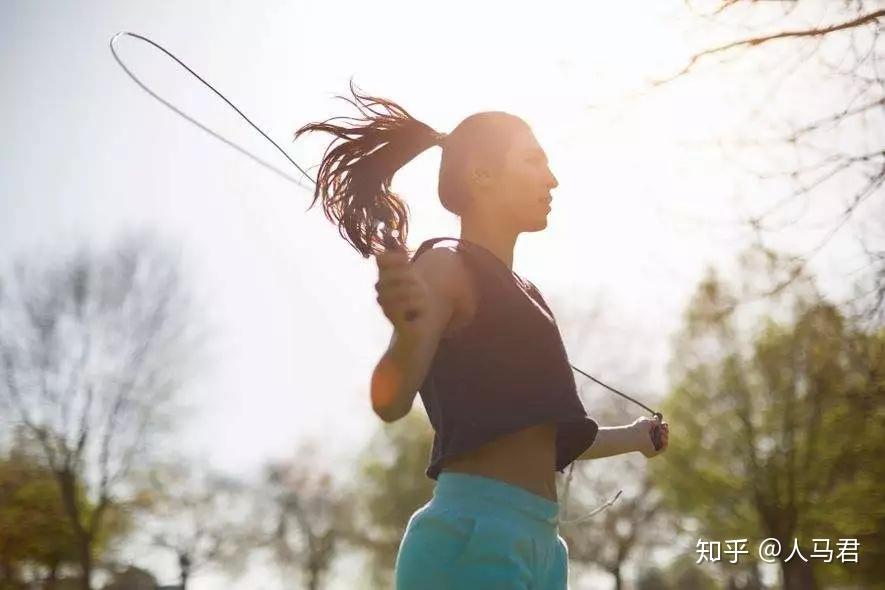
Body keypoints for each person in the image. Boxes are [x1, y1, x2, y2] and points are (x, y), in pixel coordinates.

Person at [295, 80, 670, 589]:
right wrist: (408, 334)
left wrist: (634, 438)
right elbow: (390, 400)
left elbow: (542, 438)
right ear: (482, 175)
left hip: (542, 545)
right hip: (471, 537)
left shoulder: (530, 294)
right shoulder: (446, 265)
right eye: (533, 161)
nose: (552, 178)